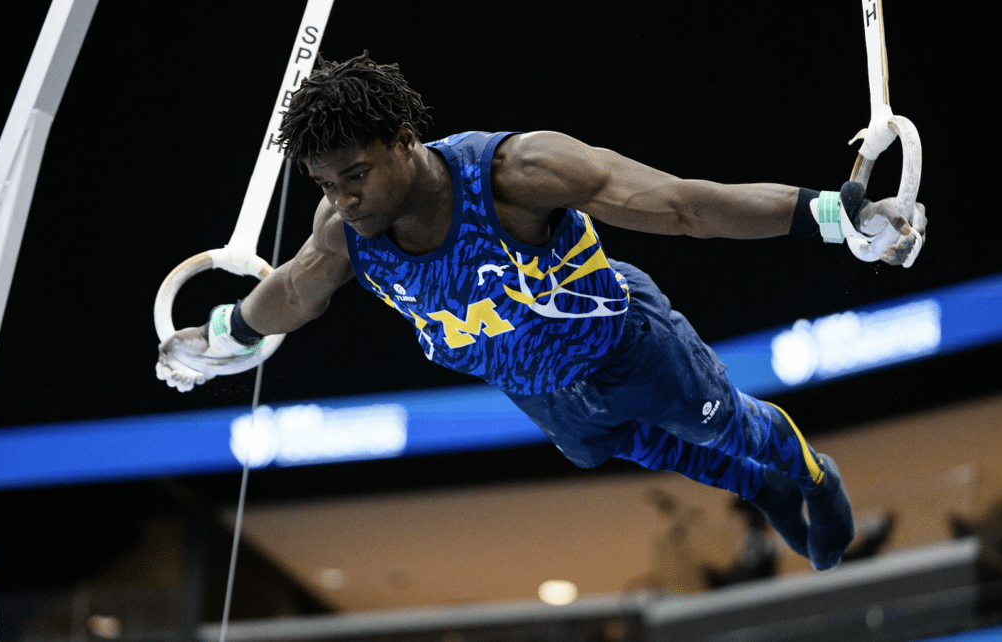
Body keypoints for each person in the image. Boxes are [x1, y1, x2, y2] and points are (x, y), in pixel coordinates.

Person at [156, 52, 927, 571]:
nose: (343, 200)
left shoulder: (516, 174)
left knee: (717, 424)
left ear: (403, 139)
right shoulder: (345, 234)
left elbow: (685, 206)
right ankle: (755, 488)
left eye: (355, 175)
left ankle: (807, 473)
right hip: (544, 397)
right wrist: (223, 333)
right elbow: (290, 291)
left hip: (630, 349)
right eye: (327, 185)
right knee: (636, 453)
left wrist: (832, 213)